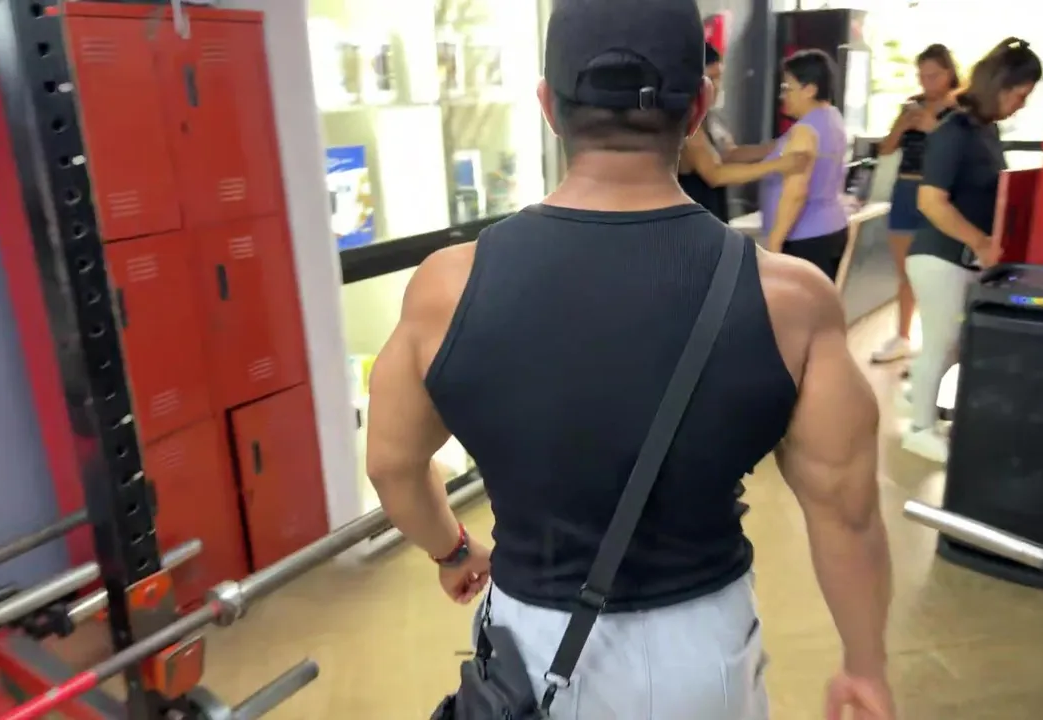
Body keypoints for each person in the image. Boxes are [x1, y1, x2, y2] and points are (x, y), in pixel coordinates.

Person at [365, 0, 895, 717]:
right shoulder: (789, 298)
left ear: (549, 107)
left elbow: (392, 464)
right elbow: (847, 509)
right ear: (699, 105)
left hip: (530, 652)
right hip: (702, 651)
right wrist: (865, 666)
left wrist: (454, 550)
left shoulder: (447, 288)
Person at [902, 37, 1042, 463]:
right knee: (942, 342)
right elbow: (931, 201)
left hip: (965, 260)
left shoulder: (986, 131)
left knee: (957, 344)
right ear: (1000, 86)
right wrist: (981, 242)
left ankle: (921, 396)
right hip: (938, 257)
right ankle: (919, 429)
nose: (1021, 105)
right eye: (1019, 95)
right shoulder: (955, 131)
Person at [871, 44, 961, 365]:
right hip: (905, 190)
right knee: (906, 271)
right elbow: (885, 149)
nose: (926, 82)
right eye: (922, 76)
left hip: (940, 193)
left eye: (933, 75)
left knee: (937, 272)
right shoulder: (912, 105)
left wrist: (932, 127)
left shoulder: (961, 110)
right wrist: (903, 124)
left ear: (949, 73)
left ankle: (938, 344)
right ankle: (903, 336)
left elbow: (962, 154)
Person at [678, 42, 804, 222]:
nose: (717, 86)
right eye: (711, 78)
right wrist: (777, 165)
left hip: (714, 217)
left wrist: (778, 146)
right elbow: (715, 174)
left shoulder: (710, 117)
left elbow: (729, 153)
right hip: (692, 222)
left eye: (719, 77)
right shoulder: (685, 123)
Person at [760, 50, 850, 283]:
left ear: (809, 90)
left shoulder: (805, 130)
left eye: (787, 88)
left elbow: (796, 192)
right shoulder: (832, 117)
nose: (783, 96)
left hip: (804, 238)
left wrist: (774, 243)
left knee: (796, 305)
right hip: (831, 229)